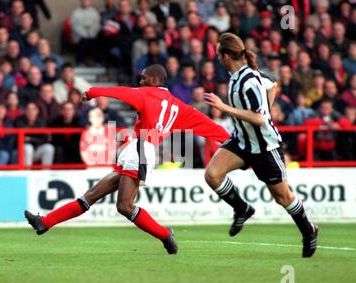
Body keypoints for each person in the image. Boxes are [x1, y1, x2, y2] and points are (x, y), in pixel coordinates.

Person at [25, 64, 230, 255]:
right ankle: (45, 222)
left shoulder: (146, 93)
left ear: (154, 79)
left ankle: (165, 235)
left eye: (143, 78)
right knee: (91, 195)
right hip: (136, 149)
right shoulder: (180, 107)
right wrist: (232, 143)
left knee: (124, 206)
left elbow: (120, 92)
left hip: (140, 150)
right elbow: (207, 124)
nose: (140, 82)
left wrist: (93, 92)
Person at [203, 33, 319, 258]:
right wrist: (266, 105)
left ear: (226, 56)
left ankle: (309, 230)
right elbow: (272, 85)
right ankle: (242, 209)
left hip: (265, 147)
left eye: (218, 53)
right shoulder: (239, 76)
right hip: (243, 142)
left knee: (283, 197)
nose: (217, 57)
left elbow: (259, 119)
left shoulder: (248, 81)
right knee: (212, 175)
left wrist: (224, 108)